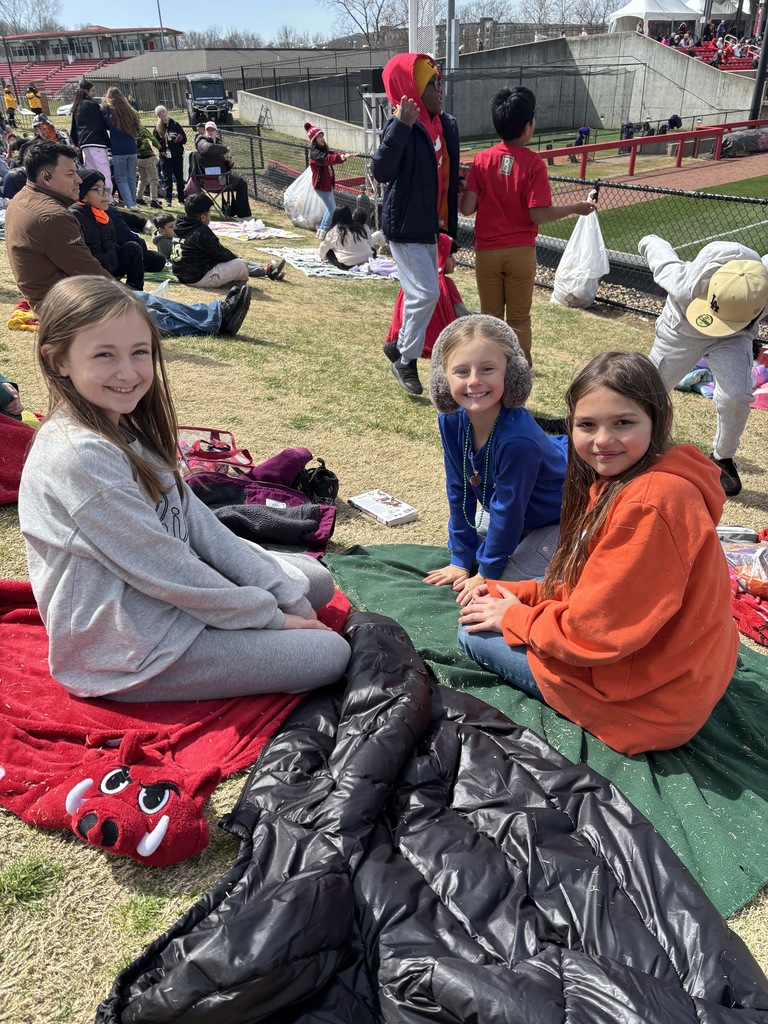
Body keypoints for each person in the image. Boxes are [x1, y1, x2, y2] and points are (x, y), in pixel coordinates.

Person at [18, 275, 351, 701]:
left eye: (140, 352)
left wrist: (283, 600)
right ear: (56, 361)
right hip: (129, 650)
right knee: (329, 653)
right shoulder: (80, 455)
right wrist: (271, 617)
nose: (128, 372)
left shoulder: (129, 430)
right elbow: (165, 569)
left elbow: (200, 528)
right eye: (104, 355)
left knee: (314, 581)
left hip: (167, 600)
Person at [457, 350, 738, 756]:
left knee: (471, 633)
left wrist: (514, 617)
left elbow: (595, 634)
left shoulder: (650, 502)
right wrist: (523, 593)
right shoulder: (640, 475)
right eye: (587, 425)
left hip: (650, 705)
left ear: (659, 420)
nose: (603, 440)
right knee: (523, 590)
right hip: (679, 671)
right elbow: (596, 586)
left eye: (623, 423)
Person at [5, 140, 251, 338]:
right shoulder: (52, 216)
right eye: (71, 174)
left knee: (139, 300)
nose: (78, 180)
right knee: (133, 309)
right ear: (46, 177)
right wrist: (123, 292)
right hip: (63, 303)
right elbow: (88, 272)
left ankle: (213, 315)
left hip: (56, 295)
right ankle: (215, 320)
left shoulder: (24, 199)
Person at [425, 315, 566, 605]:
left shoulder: (518, 441)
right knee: (477, 551)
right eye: (461, 371)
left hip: (558, 514)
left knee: (507, 582)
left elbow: (508, 511)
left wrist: (487, 572)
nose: (474, 381)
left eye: (487, 369)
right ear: (443, 380)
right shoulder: (450, 422)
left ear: (511, 375)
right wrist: (461, 559)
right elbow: (458, 490)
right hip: (513, 509)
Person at [460, 87, 595, 367]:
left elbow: (467, 209)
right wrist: (575, 208)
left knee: (491, 319)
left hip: (486, 250)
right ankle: (520, 376)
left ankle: (492, 371)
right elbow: (539, 215)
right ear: (528, 125)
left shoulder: (482, 161)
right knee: (519, 319)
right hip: (521, 251)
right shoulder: (534, 163)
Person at [639, 234, 768, 496]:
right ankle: (636, 443)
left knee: (736, 395)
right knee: (649, 391)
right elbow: (659, 254)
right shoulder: (684, 282)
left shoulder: (761, 285)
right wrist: (648, 240)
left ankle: (722, 459)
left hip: (734, 337)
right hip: (681, 333)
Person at [372, 53, 460, 396]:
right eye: (433, 82)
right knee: (426, 292)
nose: (441, 89)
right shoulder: (402, 124)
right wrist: (401, 127)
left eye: (440, 81)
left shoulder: (443, 124)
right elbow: (382, 172)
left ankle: (397, 346)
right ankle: (405, 358)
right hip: (405, 224)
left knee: (420, 293)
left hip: (430, 225)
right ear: (412, 88)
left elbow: (446, 177)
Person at [171, 194, 287, 287]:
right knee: (239, 264)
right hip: (196, 277)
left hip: (183, 273)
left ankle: (268, 270)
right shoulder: (200, 231)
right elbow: (222, 254)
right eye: (209, 213)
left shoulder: (180, 225)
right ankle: (267, 271)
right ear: (203, 217)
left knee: (234, 259)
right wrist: (236, 257)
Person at [385, 232, 468, 359]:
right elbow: (461, 314)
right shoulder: (446, 284)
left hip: (410, 338)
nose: (453, 261)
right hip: (438, 340)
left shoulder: (413, 282)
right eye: (450, 256)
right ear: (439, 256)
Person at [70, 169, 144, 290]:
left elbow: (111, 244)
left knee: (133, 247)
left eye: (106, 189)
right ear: (83, 196)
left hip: (111, 268)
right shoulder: (75, 216)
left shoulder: (104, 216)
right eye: (98, 189)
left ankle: (136, 290)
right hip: (90, 277)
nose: (105, 194)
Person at [194, 120, 252, 219]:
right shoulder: (201, 141)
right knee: (242, 184)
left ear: (216, 132)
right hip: (208, 179)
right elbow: (207, 148)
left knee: (242, 183)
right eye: (208, 130)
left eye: (212, 130)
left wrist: (229, 164)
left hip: (221, 177)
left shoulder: (218, 143)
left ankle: (241, 214)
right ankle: (243, 215)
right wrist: (225, 149)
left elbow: (222, 165)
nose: (210, 132)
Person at [304, 122, 350, 240]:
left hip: (326, 185)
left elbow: (332, 154)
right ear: (314, 140)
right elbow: (328, 159)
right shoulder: (315, 154)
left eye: (322, 136)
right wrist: (341, 157)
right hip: (322, 186)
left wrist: (343, 155)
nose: (322, 139)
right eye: (319, 137)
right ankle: (324, 231)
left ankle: (321, 231)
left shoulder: (322, 151)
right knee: (332, 209)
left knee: (330, 209)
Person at [70, 79, 112, 195]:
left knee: (91, 173)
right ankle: (108, 198)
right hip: (96, 142)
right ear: (86, 91)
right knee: (104, 173)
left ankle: (93, 196)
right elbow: (102, 124)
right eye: (92, 91)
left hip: (85, 144)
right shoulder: (92, 105)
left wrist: (75, 143)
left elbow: (74, 128)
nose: (94, 93)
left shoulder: (76, 106)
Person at [103, 87, 141, 210]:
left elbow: (106, 124)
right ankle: (133, 202)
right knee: (131, 177)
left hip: (118, 149)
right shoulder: (129, 111)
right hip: (132, 148)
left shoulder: (111, 111)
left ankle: (129, 203)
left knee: (121, 178)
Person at [318, 205, 373, 269]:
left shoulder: (333, 230)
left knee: (329, 252)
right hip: (367, 259)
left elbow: (323, 247)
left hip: (348, 264)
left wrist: (322, 257)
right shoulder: (358, 227)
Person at [153, 105, 187, 206]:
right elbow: (155, 141)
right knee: (167, 178)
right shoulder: (158, 127)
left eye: (164, 112)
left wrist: (180, 138)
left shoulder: (175, 124)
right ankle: (168, 200)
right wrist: (161, 150)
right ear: (158, 116)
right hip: (165, 157)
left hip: (176, 155)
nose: (163, 114)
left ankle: (181, 199)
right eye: (160, 114)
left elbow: (184, 139)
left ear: (166, 112)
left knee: (179, 177)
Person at [136, 122, 162, 208]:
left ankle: (139, 197)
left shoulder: (127, 129)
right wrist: (160, 148)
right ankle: (153, 200)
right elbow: (152, 138)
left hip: (137, 158)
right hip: (146, 158)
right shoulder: (140, 128)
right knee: (154, 179)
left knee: (142, 179)